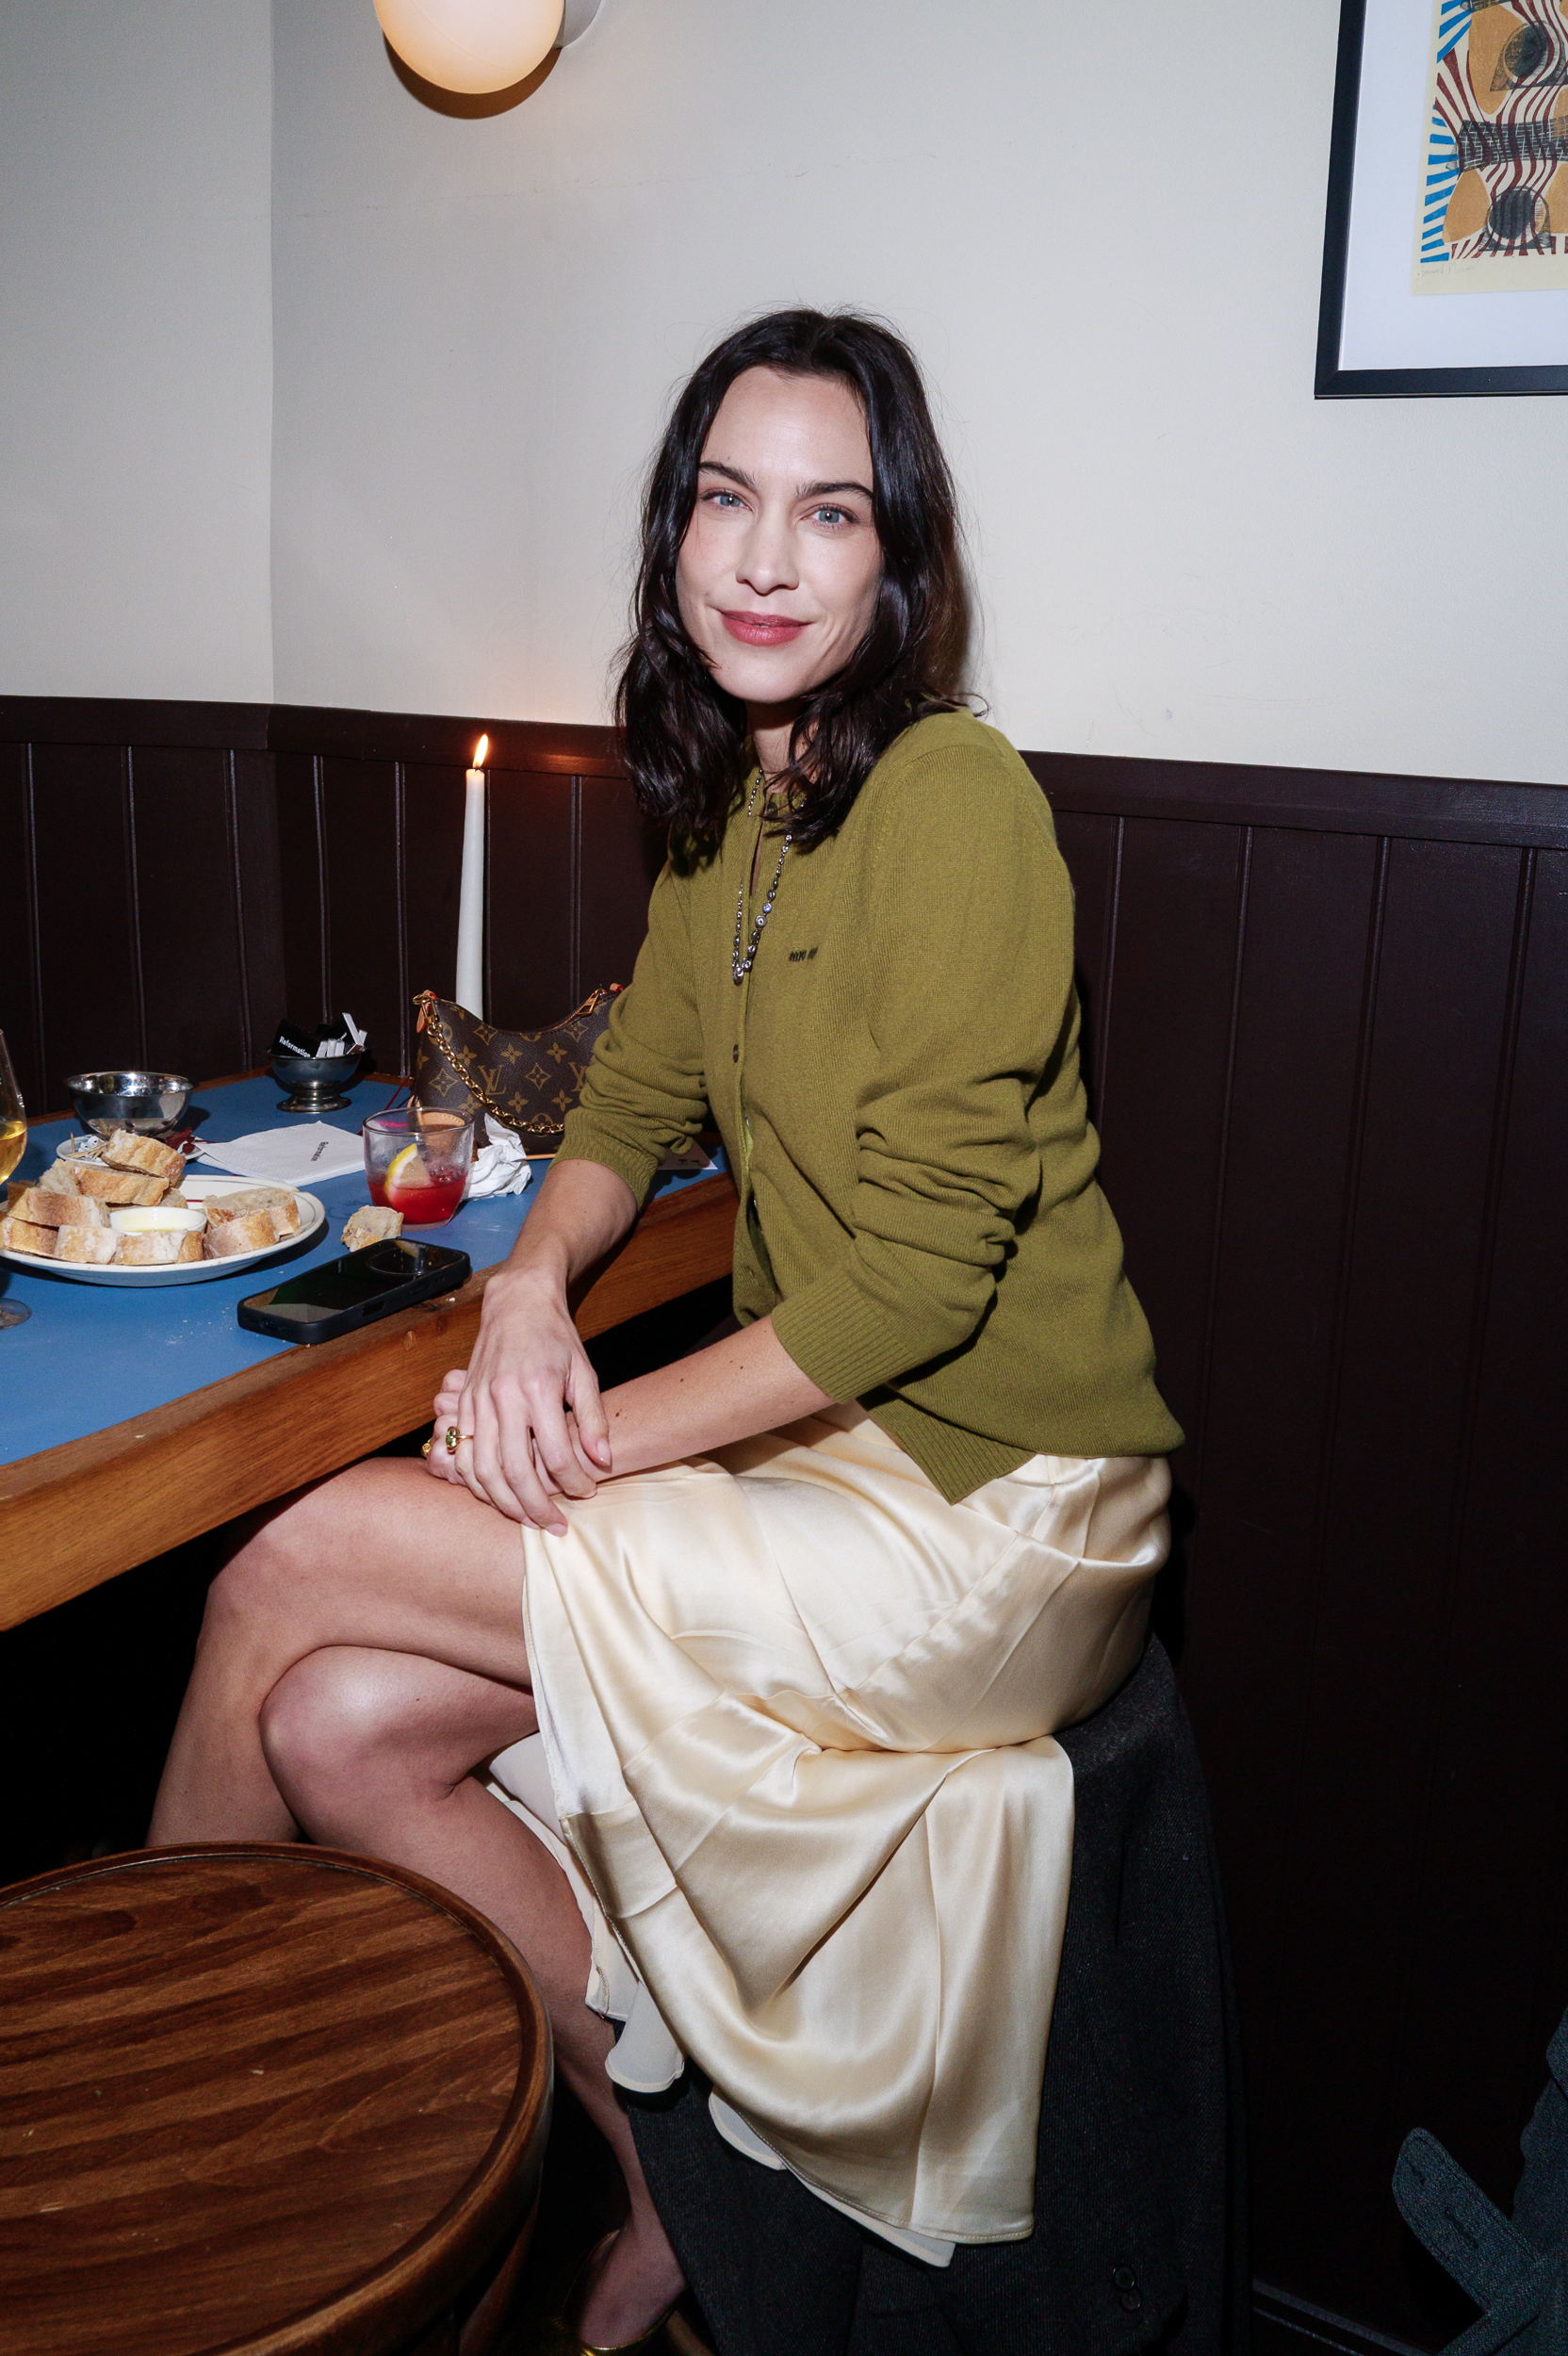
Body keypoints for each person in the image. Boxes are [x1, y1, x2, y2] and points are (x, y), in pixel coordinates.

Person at [150, 308, 1183, 2353]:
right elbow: (627, 1111)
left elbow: (912, 1278)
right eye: (726, 498)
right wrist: (532, 1284)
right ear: (676, 529)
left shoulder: (955, 800)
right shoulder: (731, 807)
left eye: (828, 510)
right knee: (340, 1726)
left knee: (292, 1561)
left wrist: (584, 1440)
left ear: (898, 563)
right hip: (837, 1458)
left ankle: (165, 2138)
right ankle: (662, 2191)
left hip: (1012, 1506)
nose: (765, 556)